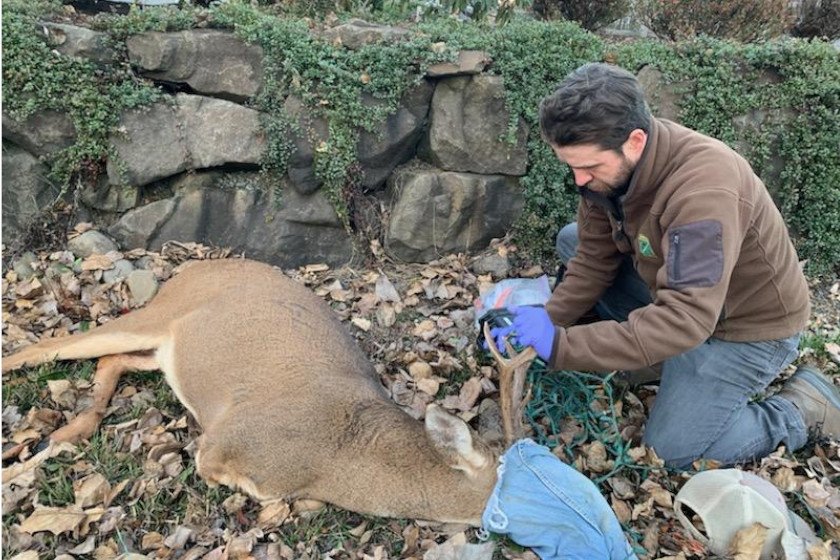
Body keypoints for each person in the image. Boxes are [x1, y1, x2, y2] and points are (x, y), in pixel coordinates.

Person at [491, 62, 840, 468]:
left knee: (673, 452)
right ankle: (654, 356)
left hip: (742, 329)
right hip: (677, 292)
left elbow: (686, 320)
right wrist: (544, 322)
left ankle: (803, 408)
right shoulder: (614, 170)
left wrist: (560, 345)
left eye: (589, 167)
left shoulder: (703, 189)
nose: (580, 180)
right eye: (571, 166)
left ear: (635, 141)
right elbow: (592, 260)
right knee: (573, 239)